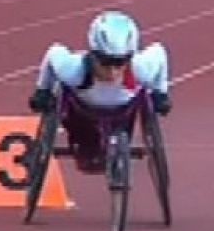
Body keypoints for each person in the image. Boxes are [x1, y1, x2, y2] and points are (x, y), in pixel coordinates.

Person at [27, 10, 172, 174]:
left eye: (119, 63)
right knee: (87, 153)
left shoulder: (141, 69)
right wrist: (43, 90)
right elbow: (54, 52)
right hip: (82, 113)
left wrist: (161, 93)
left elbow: (159, 52)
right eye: (105, 62)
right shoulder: (74, 70)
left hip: (124, 112)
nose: (112, 71)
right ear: (93, 56)